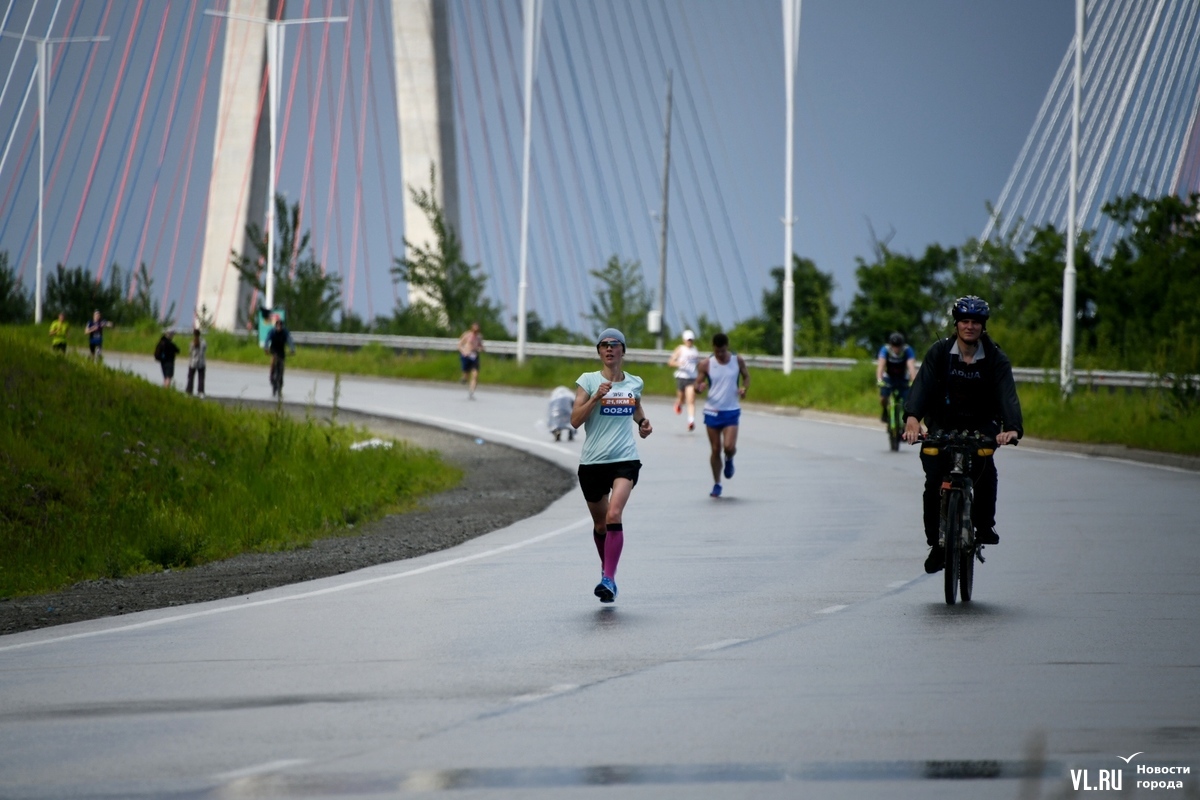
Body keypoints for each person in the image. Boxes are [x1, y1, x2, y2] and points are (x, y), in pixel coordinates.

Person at [902, 295, 1024, 574]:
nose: (970, 326)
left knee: (985, 468)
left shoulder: (995, 358)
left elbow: (1007, 395)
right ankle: (937, 542)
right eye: (965, 321)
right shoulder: (939, 353)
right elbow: (921, 388)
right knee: (934, 479)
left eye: (976, 322)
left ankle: (984, 525)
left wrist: (1012, 428)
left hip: (982, 427)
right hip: (942, 426)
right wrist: (912, 420)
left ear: (983, 326)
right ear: (956, 324)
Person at [570, 328, 653, 603]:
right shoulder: (588, 381)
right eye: (603, 345)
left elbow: (635, 406)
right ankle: (607, 568)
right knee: (601, 526)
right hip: (593, 462)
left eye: (614, 344)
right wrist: (595, 397)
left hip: (625, 460)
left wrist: (642, 422)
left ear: (622, 351)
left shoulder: (634, 382)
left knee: (613, 515)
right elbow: (574, 421)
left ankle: (609, 579)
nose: (608, 349)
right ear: (599, 352)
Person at [695, 332, 750, 498]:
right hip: (712, 411)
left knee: (729, 447)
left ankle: (730, 459)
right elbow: (697, 384)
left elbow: (746, 377)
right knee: (716, 449)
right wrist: (699, 388)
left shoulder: (737, 361)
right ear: (713, 348)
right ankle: (717, 483)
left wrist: (744, 389)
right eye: (717, 351)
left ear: (727, 347)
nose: (720, 354)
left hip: (731, 410)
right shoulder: (706, 364)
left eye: (723, 351)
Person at [876, 331, 917, 423]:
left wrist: (913, 381)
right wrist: (879, 379)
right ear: (890, 345)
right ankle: (885, 411)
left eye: (898, 346)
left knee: (907, 400)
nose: (896, 348)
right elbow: (881, 366)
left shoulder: (907, 350)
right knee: (883, 397)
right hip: (889, 377)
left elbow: (911, 367)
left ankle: (904, 421)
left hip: (902, 377)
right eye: (894, 345)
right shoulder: (885, 350)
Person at [667, 329, 701, 431]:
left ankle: (691, 421)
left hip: (692, 378)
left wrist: (700, 376)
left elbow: (698, 364)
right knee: (681, 399)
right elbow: (670, 362)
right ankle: (678, 404)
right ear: (684, 340)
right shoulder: (680, 349)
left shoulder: (695, 350)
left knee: (691, 399)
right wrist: (679, 364)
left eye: (691, 340)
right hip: (682, 377)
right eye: (688, 340)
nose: (689, 341)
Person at [264, 315, 295, 396]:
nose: (279, 327)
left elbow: (290, 340)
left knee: (281, 369)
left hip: (281, 351)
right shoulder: (272, 332)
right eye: (277, 326)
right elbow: (267, 339)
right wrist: (266, 348)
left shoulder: (285, 332)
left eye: (280, 326)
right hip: (274, 350)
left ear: (282, 326)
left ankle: (280, 386)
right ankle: (271, 376)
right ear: (275, 326)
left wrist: (292, 349)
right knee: (273, 362)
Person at [457, 321, 484, 399]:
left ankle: (471, 392)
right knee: (466, 374)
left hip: (474, 356)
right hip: (466, 356)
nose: (476, 330)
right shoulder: (467, 335)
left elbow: (481, 346)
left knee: (475, 375)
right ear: (472, 327)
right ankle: (464, 378)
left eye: (477, 328)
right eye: (475, 327)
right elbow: (459, 345)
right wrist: (463, 351)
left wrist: (480, 348)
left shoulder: (479, 337)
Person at [186, 328, 207, 397]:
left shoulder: (192, 342)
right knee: (201, 378)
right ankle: (200, 392)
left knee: (190, 378)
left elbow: (190, 352)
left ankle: (189, 391)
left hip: (192, 362)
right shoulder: (203, 342)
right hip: (201, 362)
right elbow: (205, 350)